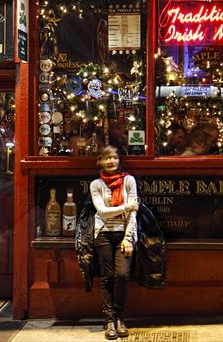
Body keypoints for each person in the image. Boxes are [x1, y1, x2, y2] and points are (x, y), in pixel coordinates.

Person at [89, 145, 139, 340]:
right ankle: (109, 319)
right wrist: (127, 206)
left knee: (122, 274)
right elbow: (102, 212)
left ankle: (120, 317)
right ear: (99, 162)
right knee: (108, 276)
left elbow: (133, 214)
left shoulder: (129, 180)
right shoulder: (96, 185)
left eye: (114, 158)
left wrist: (128, 238)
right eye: (106, 158)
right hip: (103, 234)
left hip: (123, 234)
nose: (111, 161)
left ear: (119, 161)